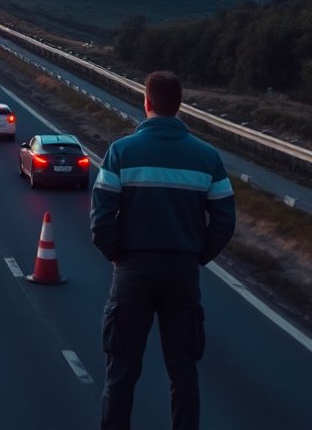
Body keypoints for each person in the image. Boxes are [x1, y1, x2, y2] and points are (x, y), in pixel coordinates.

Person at [91, 71, 236, 430]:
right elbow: (224, 218)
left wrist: (117, 253)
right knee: (183, 371)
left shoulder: (121, 152)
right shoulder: (207, 157)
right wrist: (198, 254)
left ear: (146, 103)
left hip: (133, 271)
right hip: (182, 273)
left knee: (122, 370)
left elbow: (101, 218)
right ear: (179, 105)